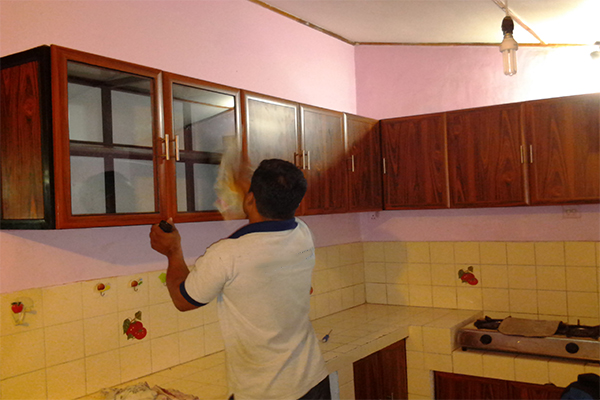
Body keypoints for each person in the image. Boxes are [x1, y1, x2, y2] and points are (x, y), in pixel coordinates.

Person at [149, 159, 330, 400]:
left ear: (250, 199)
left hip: (264, 392)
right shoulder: (302, 233)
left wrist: (173, 252)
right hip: (312, 379)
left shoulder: (228, 254)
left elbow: (184, 300)